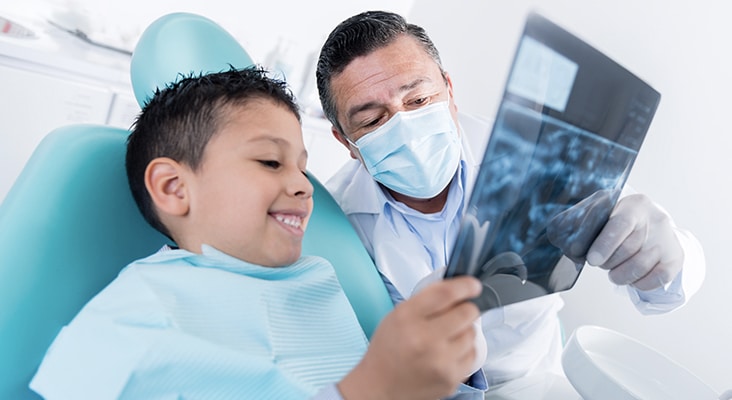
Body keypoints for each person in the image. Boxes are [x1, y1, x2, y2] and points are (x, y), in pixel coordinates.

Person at [29, 67, 488, 399]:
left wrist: (448, 375)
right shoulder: (128, 328)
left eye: (302, 168)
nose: (302, 186)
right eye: (270, 161)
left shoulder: (316, 278)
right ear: (173, 188)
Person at [315, 10, 706, 387]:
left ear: (449, 91)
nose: (404, 126)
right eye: (372, 121)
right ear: (345, 141)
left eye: (418, 101)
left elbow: (660, 291)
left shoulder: (533, 156)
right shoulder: (333, 227)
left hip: (538, 382)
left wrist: (668, 258)